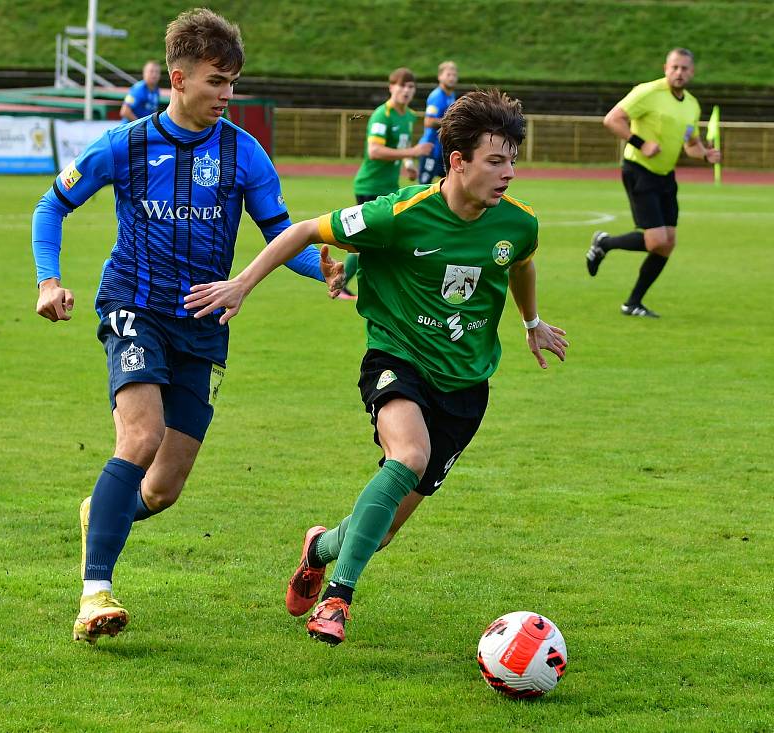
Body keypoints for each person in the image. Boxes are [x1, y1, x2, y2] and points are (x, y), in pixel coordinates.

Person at [183, 89, 569, 646]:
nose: (508, 172)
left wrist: (532, 323)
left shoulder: (518, 224)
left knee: (380, 529)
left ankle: (320, 548)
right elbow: (304, 231)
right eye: (495, 160)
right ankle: (338, 599)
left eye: (513, 160)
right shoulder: (400, 212)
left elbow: (520, 266)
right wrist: (243, 283)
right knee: (408, 455)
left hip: (467, 385)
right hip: (397, 357)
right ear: (458, 162)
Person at [31, 8, 344, 645]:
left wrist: (329, 274)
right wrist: (48, 280)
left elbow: (282, 238)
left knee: (164, 488)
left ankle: (104, 508)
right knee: (140, 437)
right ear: (177, 78)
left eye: (232, 83)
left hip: (204, 322)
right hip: (133, 306)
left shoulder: (244, 152)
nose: (227, 96)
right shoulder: (127, 143)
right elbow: (50, 205)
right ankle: (95, 595)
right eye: (215, 82)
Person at [586, 48, 721, 317]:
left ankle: (632, 303)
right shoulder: (648, 92)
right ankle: (604, 243)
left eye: (684, 68)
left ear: (692, 72)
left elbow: (690, 144)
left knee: (667, 242)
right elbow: (612, 119)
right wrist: (641, 142)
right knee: (657, 240)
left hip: (666, 175)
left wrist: (705, 154)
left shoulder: (692, 105)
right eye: (675, 67)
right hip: (639, 170)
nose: (679, 72)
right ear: (666, 68)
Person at [339, 67, 433, 300]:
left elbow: (402, 146)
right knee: (369, 240)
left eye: (411, 87)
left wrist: (409, 163)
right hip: (370, 186)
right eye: (402, 86)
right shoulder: (383, 115)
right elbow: (374, 151)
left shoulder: (408, 116)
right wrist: (414, 152)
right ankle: (343, 282)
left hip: (388, 187)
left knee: (381, 239)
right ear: (391, 87)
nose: (406, 91)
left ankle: (381, 285)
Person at [417, 60, 458, 184]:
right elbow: (429, 122)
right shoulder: (437, 96)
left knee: (450, 184)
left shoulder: (451, 95)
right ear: (440, 76)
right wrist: (452, 123)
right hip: (431, 148)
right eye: (448, 75)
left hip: (443, 148)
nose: (452, 78)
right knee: (424, 186)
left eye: (454, 75)